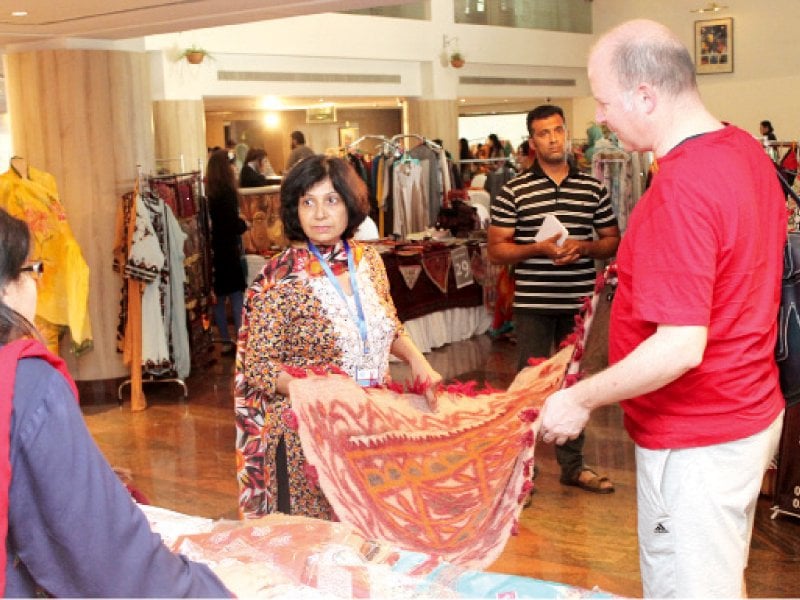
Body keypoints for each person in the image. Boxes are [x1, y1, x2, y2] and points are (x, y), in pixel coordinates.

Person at [539, 20, 786, 598]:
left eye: (603, 100)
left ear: (644, 95)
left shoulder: (683, 187)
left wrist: (579, 399)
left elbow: (680, 344)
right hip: (743, 408)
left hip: (700, 433)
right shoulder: (743, 147)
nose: (599, 117)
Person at [0, 207, 231, 597]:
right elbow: (101, 556)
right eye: (33, 270)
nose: (36, 285)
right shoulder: (26, 383)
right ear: (5, 286)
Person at [235, 155, 442, 520]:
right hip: (308, 437)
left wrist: (417, 360)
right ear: (294, 209)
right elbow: (258, 368)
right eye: (307, 202)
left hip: (373, 426)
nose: (319, 214)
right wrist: (317, 388)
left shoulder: (369, 261)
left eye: (331, 200)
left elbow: (387, 323)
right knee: (318, 552)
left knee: (372, 538)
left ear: (350, 203)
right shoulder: (279, 276)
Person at [488, 104, 620, 495]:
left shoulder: (592, 187)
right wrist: (538, 249)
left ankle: (573, 466)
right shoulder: (514, 190)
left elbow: (612, 240)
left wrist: (585, 246)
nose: (552, 139)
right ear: (533, 141)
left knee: (573, 383)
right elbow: (497, 249)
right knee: (528, 384)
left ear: (567, 133)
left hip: (579, 304)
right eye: (544, 133)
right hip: (533, 303)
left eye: (558, 130)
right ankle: (521, 470)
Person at [206, 149, 248, 356]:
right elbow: (232, 223)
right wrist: (244, 225)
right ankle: (242, 340)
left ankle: (224, 340)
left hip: (214, 250)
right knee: (237, 296)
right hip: (229, 249)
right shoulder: (229, 192)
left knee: (219, 300)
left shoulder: (208, 194)